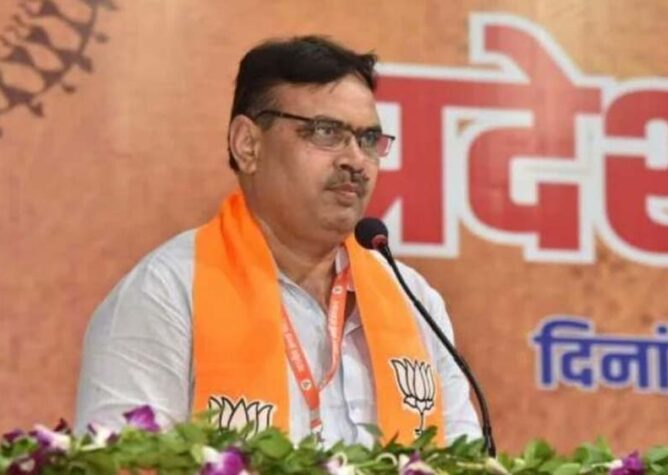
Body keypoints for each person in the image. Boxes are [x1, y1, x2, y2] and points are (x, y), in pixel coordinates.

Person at [75, 35, 481, 446]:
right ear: (248, 145)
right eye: (326, 132)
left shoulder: (414, 299)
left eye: (368, 140)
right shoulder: (167, 291)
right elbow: (118, 460)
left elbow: (462, 460)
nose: (356, 160)